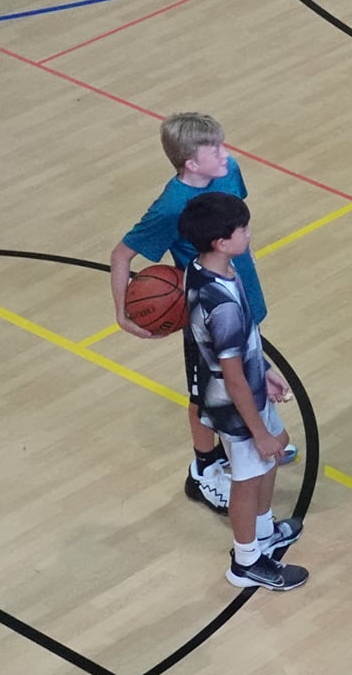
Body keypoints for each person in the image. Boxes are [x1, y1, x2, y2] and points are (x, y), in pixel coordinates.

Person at [110, 111, 292, 513]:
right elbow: (121, 255)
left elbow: (235, 222)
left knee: (247, 363)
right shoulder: (170, 207)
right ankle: (205, 468)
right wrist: (123, 314)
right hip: (205, 311)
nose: (227, 154)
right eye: (217, 150)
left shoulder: (229, 171)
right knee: (205, 391)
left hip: (240, 289)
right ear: (192, 163)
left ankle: (257, 434)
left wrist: (246, 262)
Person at [177, 192, 306, 591]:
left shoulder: (204, 269)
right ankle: (246, 561)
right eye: (243, 230)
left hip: (247, 388)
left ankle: (264, 531)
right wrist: (258, 431)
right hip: (235, 405)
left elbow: (240, 346)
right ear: (221, 242)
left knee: (272, 455)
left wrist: (262, 369)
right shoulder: (223, 306)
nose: (249, 234)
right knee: (247, 478)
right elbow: (232, 376)